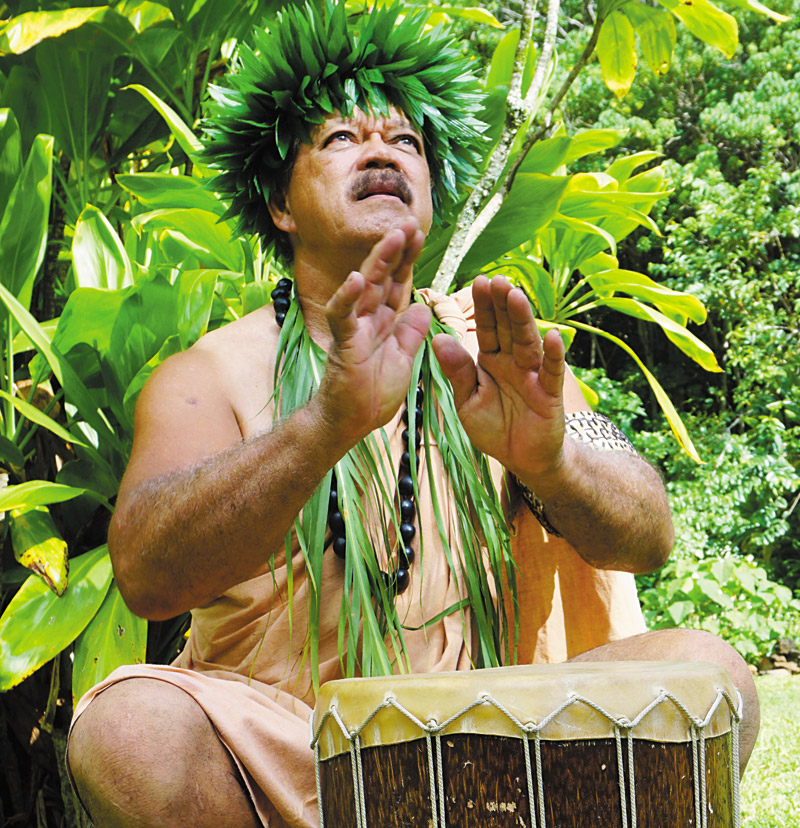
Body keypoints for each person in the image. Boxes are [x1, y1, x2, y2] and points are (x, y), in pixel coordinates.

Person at [66, 4, 759, 827]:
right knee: (131, 727)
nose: (383, 152)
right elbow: (147, 573)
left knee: (709, 670)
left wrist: (550, 460)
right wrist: (322, 425)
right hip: (296, 749)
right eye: (341, 138)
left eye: (407, 143)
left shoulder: (497, 351)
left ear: (430, 191)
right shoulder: (208, 375)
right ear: (281, 207)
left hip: (497, 730)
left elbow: (648, 538)